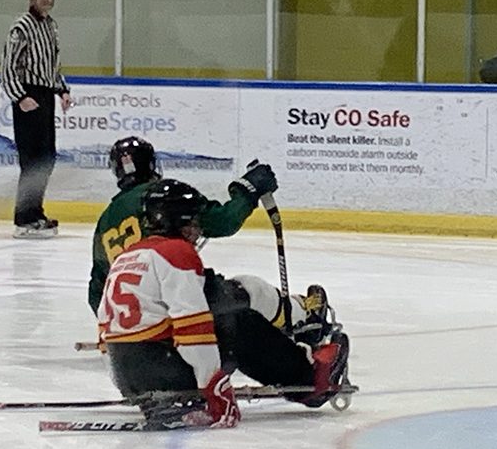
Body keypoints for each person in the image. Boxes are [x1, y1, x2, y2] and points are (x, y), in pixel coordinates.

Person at [96, 179, 351, 429]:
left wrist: (133, 382)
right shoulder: (176, 252)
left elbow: (104, 329)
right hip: (166, 373)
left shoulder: (125, 257)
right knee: (240, 321)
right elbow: (193, 329)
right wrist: (213, 386)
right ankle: (312, 379)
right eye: (194, 221)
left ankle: (160, 394)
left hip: (127, 377)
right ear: (180, 222)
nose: (198, 229)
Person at [87, 136, 268, 315]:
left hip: (129, 319)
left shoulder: (105, 220)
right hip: (173, 302)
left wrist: (113, 328)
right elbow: (224, 221)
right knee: (252, 291)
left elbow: (96, 291)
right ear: (151, 164)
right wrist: (247, 191)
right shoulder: (162, 196)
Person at [0, 0, 73, 239]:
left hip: (45, 96)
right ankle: (24, 218)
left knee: (46, 158)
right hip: (28, 96)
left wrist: (62, 89)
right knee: (31, 161)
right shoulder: (22, 27)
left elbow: (53, 65)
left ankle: (35, 212)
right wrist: (20, 97)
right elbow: (7, 68)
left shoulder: (51, 26)